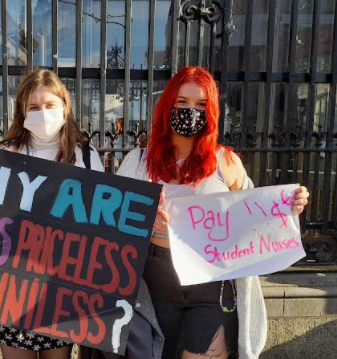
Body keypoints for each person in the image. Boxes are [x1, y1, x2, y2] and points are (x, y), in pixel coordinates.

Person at [115, 66, 310, 359]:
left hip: (211, 284)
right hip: (154, 281)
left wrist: (289, 206)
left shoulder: (226, 161)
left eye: (201, 105)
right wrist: (142, 215)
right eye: (182, 102)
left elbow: (255, 217)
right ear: (167, 104)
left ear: (212, 113)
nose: (190, 111)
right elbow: (111, 217)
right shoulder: (138, 161)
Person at [0, 68, 103, 359]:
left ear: (65, 106)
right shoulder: (2, 153)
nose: (43, 113)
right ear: (21, 111)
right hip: (9, 284)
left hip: (60, 287)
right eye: (34, 107)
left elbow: (101, 222)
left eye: (50, 105)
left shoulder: (86, 157)